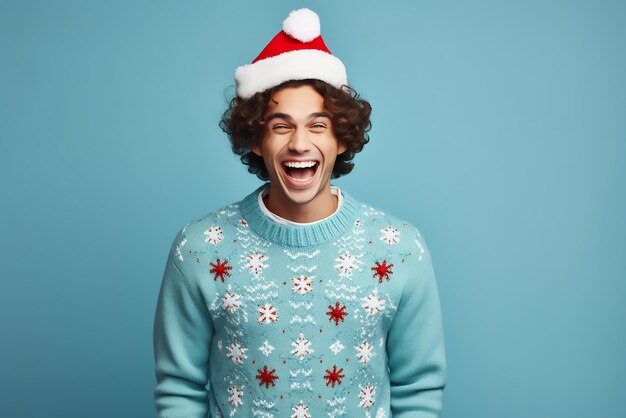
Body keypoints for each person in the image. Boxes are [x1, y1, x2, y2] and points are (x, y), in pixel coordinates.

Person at [153, 8, 447, 418]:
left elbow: (419, 388)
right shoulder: (200, 249)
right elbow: (180, 388)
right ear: (256, 140)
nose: (299, 143)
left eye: (318, 125)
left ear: (342, 139)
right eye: (280, 126)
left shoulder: (400, 250)